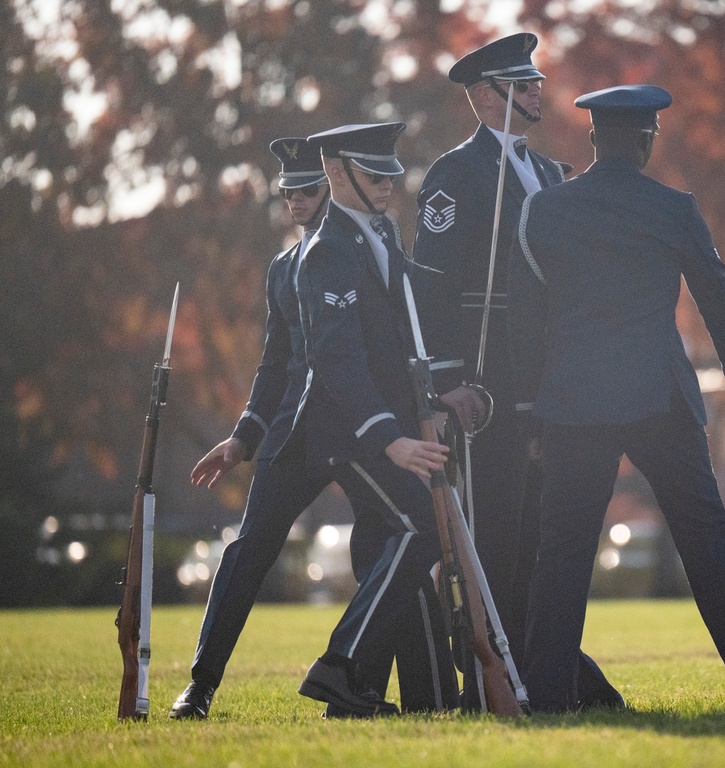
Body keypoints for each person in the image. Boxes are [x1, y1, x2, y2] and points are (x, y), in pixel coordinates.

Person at [508, 85, 725, 712]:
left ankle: (548, 693)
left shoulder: (546, 211)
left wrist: (530, 409)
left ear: (592, 138)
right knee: (706, 537)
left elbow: (530, 320)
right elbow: (720, 299)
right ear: (644, 141)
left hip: (573, 403)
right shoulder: (674, 209)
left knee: (562, 552)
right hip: (657, 397)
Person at [169, 135, 456, 721]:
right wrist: (245, 436)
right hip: (305, 435)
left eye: (307, 190)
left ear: (330, 188)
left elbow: (389, 341)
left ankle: (388, 690)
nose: (296, 201)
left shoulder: (377, 239)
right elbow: (280, 363)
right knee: (250, 553)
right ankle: (201, 687)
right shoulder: (291, 265)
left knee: (396, 538)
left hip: (352, 431)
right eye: (289, 192)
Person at [411, 32, 622, 710]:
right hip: (488, 385)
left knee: (544, 535)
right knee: (498, 537)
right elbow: (432, 284)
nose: (536, 91)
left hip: (554, 381)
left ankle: (554, 675)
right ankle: (496, 680)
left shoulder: (555, 173)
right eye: (520, 84)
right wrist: (447, 380)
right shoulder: (455, 175)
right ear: (483, 96)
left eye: (534, 81)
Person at [292, 122, 460, 718]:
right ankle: (341, 669)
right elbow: (336, 359)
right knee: (419, 527)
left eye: (392, 174)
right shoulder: (328, 249)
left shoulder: (380, 232)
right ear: (336, 174)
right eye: (373, 175)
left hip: (394, 429)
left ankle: (422, 695)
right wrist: (390, 439)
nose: (388, 185)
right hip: (354, 436)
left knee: (395, 546)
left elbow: (414, 314)